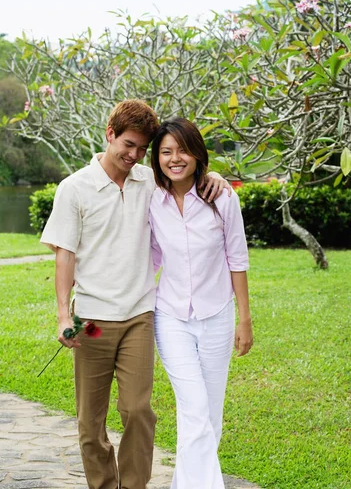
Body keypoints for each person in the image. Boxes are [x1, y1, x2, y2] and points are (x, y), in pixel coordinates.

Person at [40, 100, 228, 489]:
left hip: (140, 316)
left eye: (142, 148)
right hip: (90, 320)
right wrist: (63, 315)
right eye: (128, 144)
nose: (134, 155)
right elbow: (65, 255)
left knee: (138, 410)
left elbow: (188, 178)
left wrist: (218, 178)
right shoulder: (74, 188)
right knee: (90, 423)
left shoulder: (149, 181)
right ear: (109, 134)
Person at [149, 117, 254, 489]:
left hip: (217, 315)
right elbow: (152, 257)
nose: (175, 159)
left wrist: (245, 319)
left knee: (210, 414)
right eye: (166, 152)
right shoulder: (151, 198)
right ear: (156, 157)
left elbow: (236, 259)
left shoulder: (221, 196)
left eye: (182, 150)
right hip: (171, 317)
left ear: (196, 153)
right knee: (193, 407)